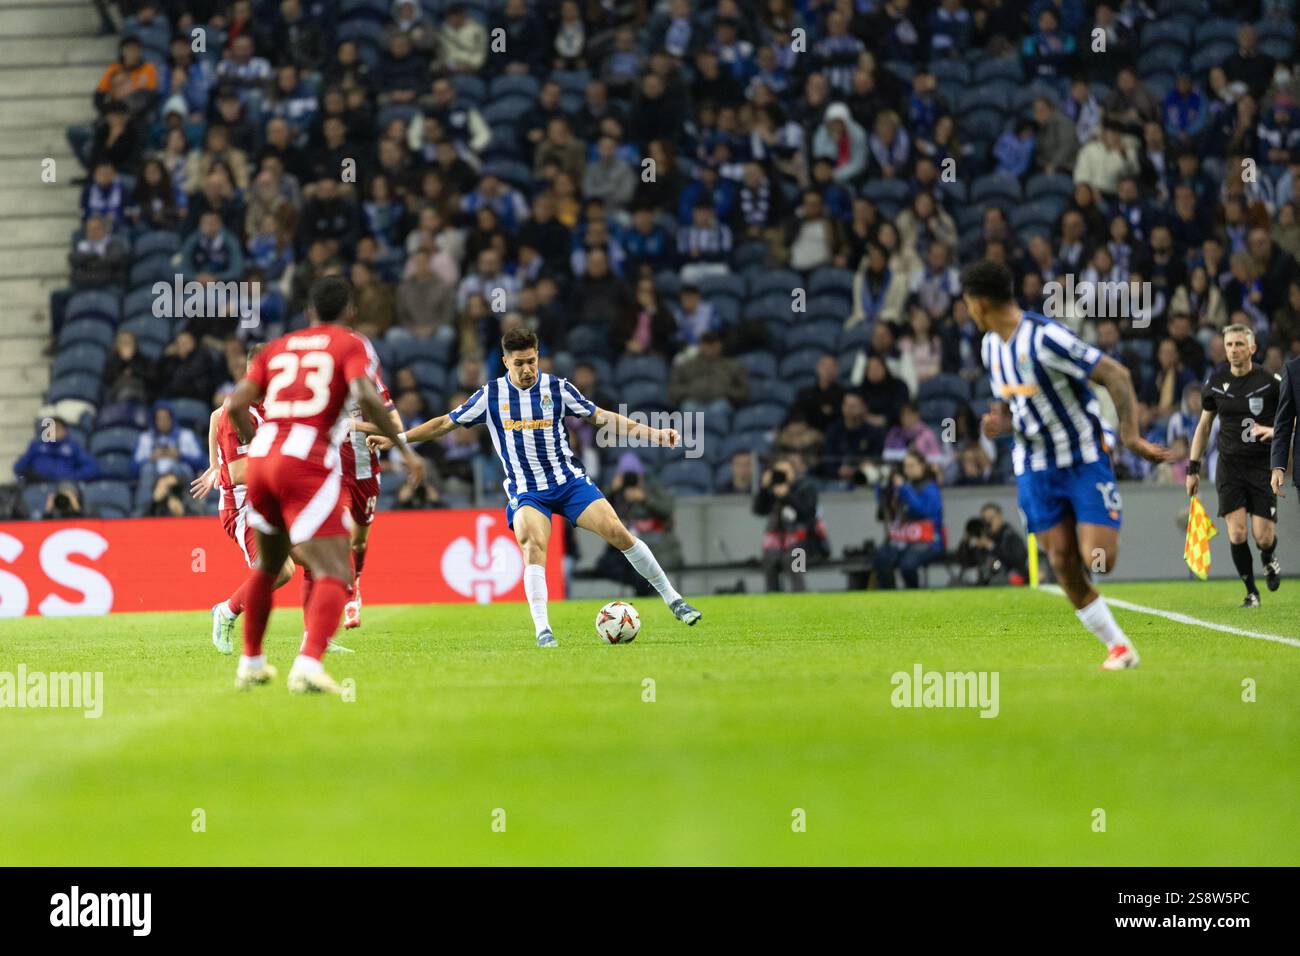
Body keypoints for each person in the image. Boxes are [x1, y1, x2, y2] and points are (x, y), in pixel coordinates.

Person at [362, 327, 701, 646]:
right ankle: (544, 630)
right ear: (506, 360)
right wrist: (399, 439)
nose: (527, 369)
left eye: (532, 361)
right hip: (527, 490)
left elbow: (603, 417)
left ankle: (675, 600)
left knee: (618, 532)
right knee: (532, 544)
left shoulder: (558, 388)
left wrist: (655, 433)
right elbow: (444, 424)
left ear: (538, 356)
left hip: (568, 482)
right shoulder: (491, 394)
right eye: (519, 362)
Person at [962, 259, 1170, 670]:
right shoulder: (989, 347)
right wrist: (999, 424)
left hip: (1082, 457)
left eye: (968, 303)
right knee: (1059, 560)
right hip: (1034, 465)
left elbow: (1116, 374)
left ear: (980, 302)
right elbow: (1012, 404)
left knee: (1099, 559)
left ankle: (1092, 521)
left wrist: (1129, 436)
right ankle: (1119, 647)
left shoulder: (1044, 338)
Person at [224, 277, 423, 693]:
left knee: (268, 564)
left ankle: (251, 663)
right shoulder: (351, 344)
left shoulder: (277, 346)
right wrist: (403, 449)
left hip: (262, 460)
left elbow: (237, 403)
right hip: (307, 462)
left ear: (308, 312)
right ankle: (309, 664)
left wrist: (252, 442)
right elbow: (367, 395)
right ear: (350, 312)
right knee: (336, 567)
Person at [1187, 325, 1282, 606]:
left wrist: (1274, 431)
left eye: (1239, 344)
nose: (1233, 350)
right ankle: (1251, 592)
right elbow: (1204, 426)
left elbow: (1292, 418)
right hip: (1229, 467)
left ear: (1252, 348)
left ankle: (1268, 558)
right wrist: (1193, 468)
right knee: (1238, 532)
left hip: (1262, 467)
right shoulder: (1215, 383)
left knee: (1263, 537)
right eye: (1229, 344)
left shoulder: (1271, 382)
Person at [337, 352, 403, 629]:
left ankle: (356, 581)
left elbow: (396, 427)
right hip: (332, 473)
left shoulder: (371, 384)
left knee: (358, 543)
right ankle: (349, 600)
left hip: (365, 472)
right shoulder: (320, 384)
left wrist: (356, 426)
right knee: (341, 536)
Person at [753, 455, 826, 592]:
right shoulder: (772, 492)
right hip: (778, 546)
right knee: (769, 560)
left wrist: (787, 497)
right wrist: (763, 488)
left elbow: (807, 515)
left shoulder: (806, 488)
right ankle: (773, 602)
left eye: (785, 472)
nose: (782, 476)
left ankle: (800, 599)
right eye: (778, 472)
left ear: (794, 472)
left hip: (806, 544)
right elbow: (759, 510)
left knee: (793, 559)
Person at [874, 451, 945, 589]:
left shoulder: (930, 488)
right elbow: (886, 512)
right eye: (906, 466)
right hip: (904, 539)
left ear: (922, 466)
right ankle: (887, 597)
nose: (908, 470)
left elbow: (922, 511)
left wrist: (903, 489)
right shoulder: (903, 487)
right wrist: (881, 487)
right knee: (882, 558)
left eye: (911, 465)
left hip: (927, 539)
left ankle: (913, 595)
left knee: (907, 564)